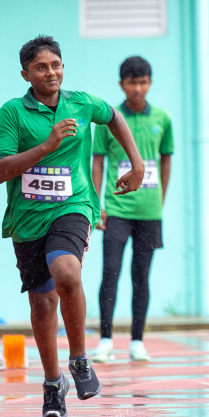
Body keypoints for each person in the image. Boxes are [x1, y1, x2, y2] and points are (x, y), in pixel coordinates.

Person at [0, 35, 147, 417]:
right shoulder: (12, 112)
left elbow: (113, 116)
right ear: (26, 73)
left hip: (74, 205)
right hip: (28, 220)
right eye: (42, 67)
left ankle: (79, 359)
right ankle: (51, 383)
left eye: (56, 65)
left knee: (66, 271)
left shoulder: (81, 102)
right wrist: (46, 146)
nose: (51, 72)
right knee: (42, 303)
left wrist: (137, 164)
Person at [91, 56, 173, 363]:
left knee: (142, 275)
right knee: (110, 272)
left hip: (149, 211)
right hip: (116, 210)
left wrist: (161, 199)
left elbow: (166, 159)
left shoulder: (163, 119)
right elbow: (98, 161)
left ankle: (137, 340)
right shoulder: (109, 119)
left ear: (150, 83)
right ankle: (106, 340)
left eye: (142, 82)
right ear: (121, 84)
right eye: (131, 82)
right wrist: (98, 204)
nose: (137, 88)